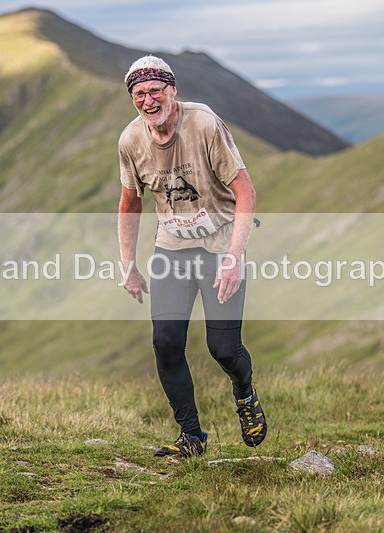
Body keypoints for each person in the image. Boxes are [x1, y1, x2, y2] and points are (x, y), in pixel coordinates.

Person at [117, 55, 266, 458]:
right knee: (166, 343)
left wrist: (235, 256)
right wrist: (128, 263)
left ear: (172, 91)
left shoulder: (203, 123)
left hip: (220, 246)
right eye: (139, 94)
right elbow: (130, 202)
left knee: (223, 349)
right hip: (172, 249)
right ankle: (192, 437)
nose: (148, 101)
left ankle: (245, 394)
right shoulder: (131, 141)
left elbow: (245, 191)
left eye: (155, 91)